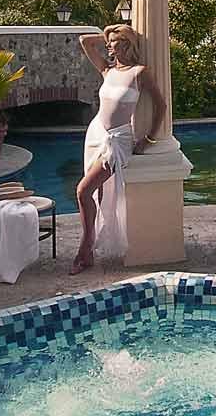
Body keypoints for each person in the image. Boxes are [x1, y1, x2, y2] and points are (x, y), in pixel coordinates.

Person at [71, 24, 166, 275]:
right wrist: (107, 33)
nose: (109, 46)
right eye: (109, 42)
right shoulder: (107, 70)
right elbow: (84, 41)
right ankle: (92, 245)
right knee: (97, 195)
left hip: (118, 141)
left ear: (126, 44)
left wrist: (149, 139)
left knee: (83, 190)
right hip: (95, 136)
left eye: (114, 42)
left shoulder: (139, 73)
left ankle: (85, 249)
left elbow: (161, 105)